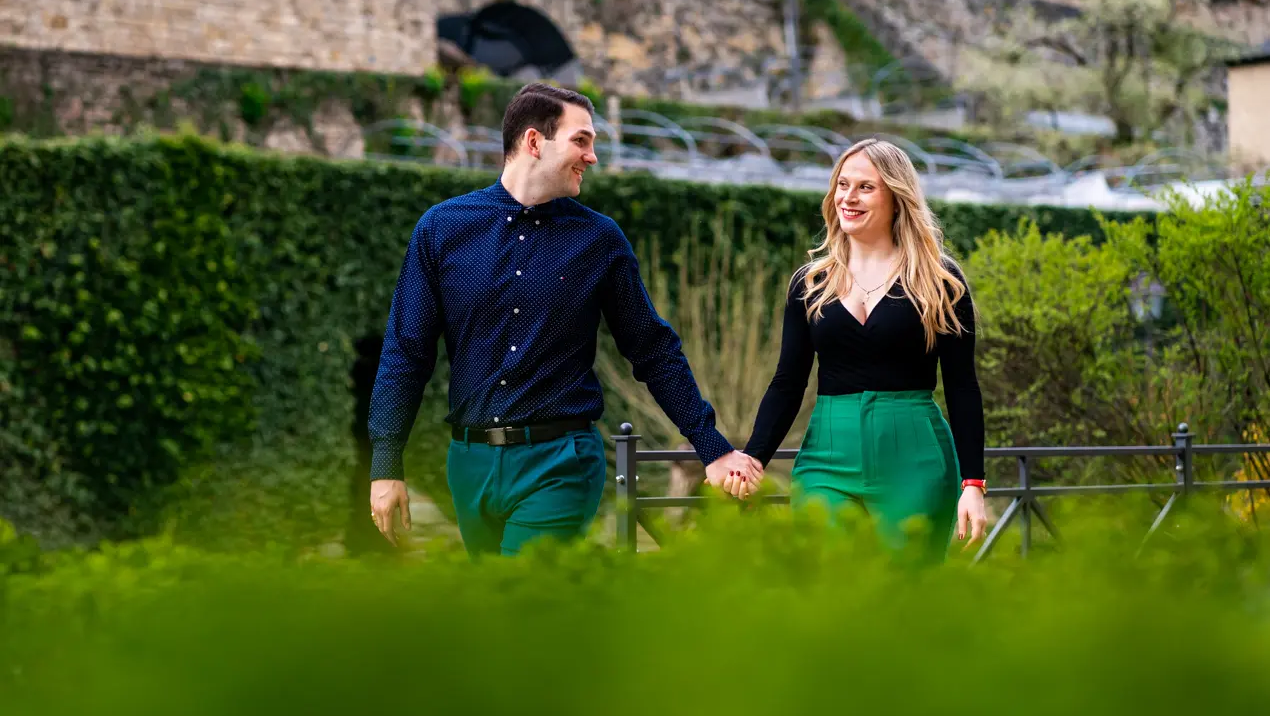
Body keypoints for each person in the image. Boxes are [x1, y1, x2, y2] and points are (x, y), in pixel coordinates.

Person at [367, 83, 763, 555]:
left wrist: (711, 446)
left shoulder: (598, 240)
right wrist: (386, 462)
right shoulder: (442, 228)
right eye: (582, 140)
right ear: (534, 141)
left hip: (560, 461)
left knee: (521, 598)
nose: (592, 156)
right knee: (499, 619)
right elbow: (406, 353)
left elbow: (652, 350)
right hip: (469, 463)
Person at [728, 138, 988, 560]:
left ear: (896, 196)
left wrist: (973, 485)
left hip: (914, 457)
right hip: (828, 455)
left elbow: (962, 387)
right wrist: (754, 457)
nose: (848, 197)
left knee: (904, 594)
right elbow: (788, 381)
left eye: (865, 187)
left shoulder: (939, 280)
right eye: (842, 185)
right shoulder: (811, 283)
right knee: (829, 586)